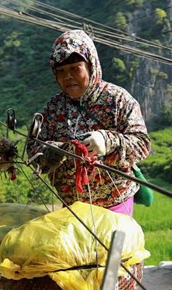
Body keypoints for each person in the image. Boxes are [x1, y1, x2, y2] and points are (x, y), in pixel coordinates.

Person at [31, 29, 151, 217]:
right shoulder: (54, 108)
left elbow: (142, 145)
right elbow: (33, 149)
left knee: (110, 247)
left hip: (115, 203)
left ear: (91, 65)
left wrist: (108, 141)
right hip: (72, 207)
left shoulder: (118, 100)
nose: (67, 76)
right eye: (61, 71)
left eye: (74, 69)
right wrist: (50, 152)